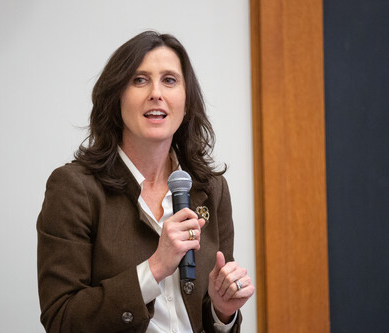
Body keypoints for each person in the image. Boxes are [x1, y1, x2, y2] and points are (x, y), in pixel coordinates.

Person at [37, 30, 254, 333]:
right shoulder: (74, 188)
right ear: (116, 98)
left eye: (169, 80)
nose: (156, 93)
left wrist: (222, 311)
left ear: (187, 101)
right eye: (139, 80)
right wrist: (154, 270)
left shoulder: (210, 189)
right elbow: (61, 320)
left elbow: (207, 317)